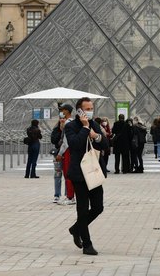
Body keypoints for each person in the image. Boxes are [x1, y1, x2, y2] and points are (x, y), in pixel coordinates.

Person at [65, 97, 109, 256]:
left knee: (98, 207)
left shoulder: (95, 124)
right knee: (82, 210)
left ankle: (76, 229)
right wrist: (85, 129)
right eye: (87, 109)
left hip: (94, 171)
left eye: (92, 108)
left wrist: (96, 136)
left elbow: (105, 145)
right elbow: (74, 144)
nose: (90, 111)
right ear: (79, 111)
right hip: (79, 174)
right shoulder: (70, 126)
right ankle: (87, 244)